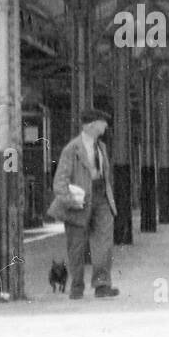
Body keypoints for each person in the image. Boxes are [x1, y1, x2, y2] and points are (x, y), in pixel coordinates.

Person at [49, 108, 119, 299]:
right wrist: (71, 200)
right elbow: (59, 182)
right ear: (91, 125)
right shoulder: (72, 149)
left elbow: (105, 175)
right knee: (76, 246)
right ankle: (77, 286)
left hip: (102, 198)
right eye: (102, 122)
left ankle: (102, 284)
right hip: (79, 202)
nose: (105, 126)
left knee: (104, 242)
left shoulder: (101, 147)